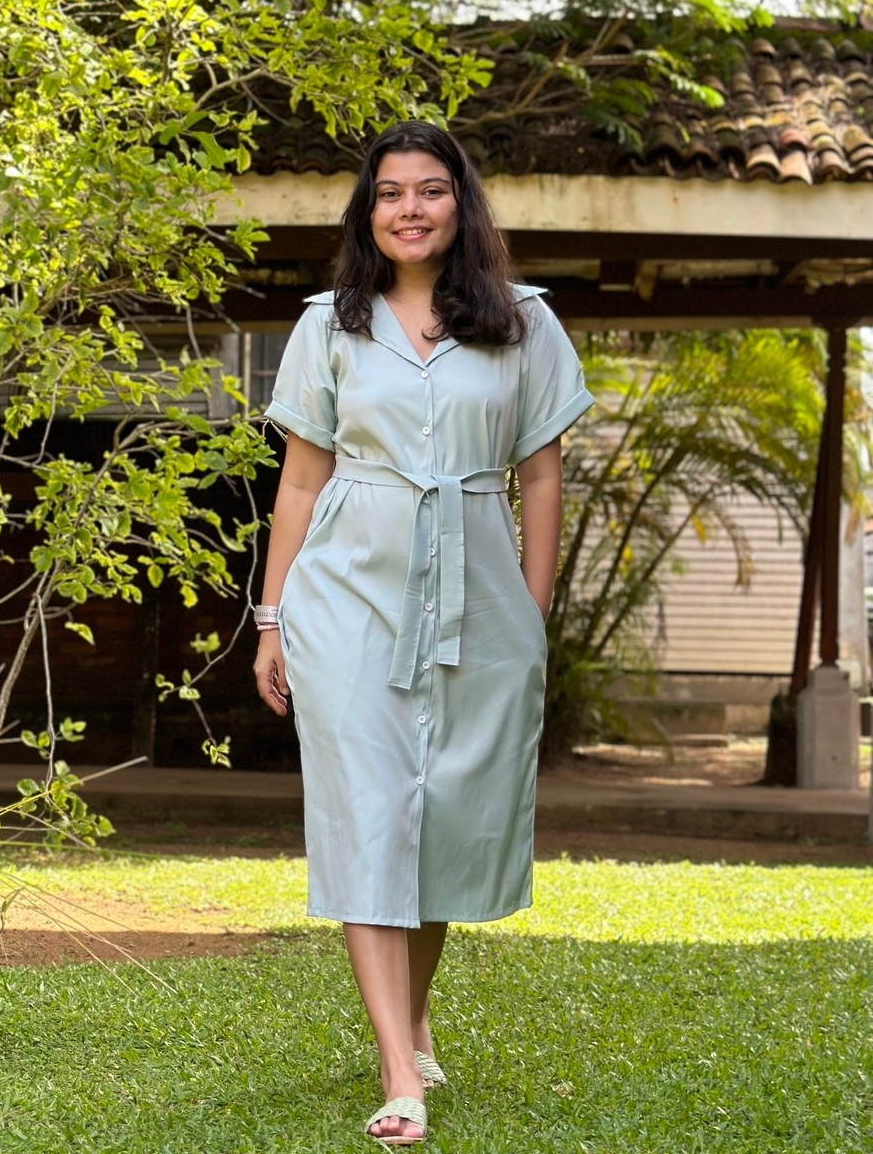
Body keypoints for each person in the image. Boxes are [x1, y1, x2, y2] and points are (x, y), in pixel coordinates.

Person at [253, 120, 593, 1145]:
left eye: (431, 190)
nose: (410, 208)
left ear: (462, 205)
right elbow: (302, 477)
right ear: (368, 211)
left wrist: (527, 616)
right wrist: (271, 618)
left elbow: (540, 477)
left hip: (479, 596)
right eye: (390, 192)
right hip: (348, 592)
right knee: (369, 808)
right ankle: (400, 1071)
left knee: (446, 808)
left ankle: (413, 1016)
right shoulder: (330, 324)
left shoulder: (525, 323)